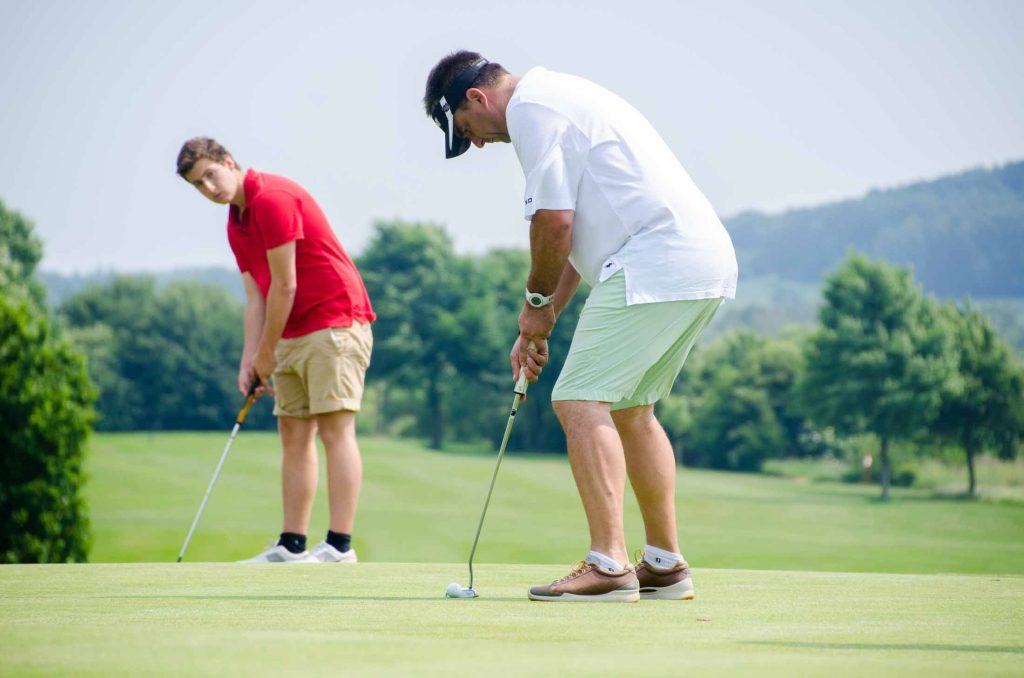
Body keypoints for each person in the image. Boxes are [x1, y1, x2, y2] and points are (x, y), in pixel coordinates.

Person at [423, 53, 738, 601]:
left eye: (467, 131)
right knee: (633, 410)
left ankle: (610, 565)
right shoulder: (559, 98)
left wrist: (533, 306)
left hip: (655, 259)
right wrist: (540, 323)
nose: (475, 143)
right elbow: (569, 240)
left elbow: (553, 224)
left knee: (577, 402)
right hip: (698, 261)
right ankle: (664, 564)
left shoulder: (533, 112)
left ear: (476, 99)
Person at [176, 138, 376, 563]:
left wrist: (268, 351)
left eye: (211, 174)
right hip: (292, 330)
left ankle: (339, 546)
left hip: (335, 320)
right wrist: (251, 360)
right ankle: (292, 545)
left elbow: (287, 284)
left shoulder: (271, 199)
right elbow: (257, 298)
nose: (209, 188)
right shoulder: (236, 222)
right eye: (198, 185)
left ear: (229, 162)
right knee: (293, 432)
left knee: (334, 429)